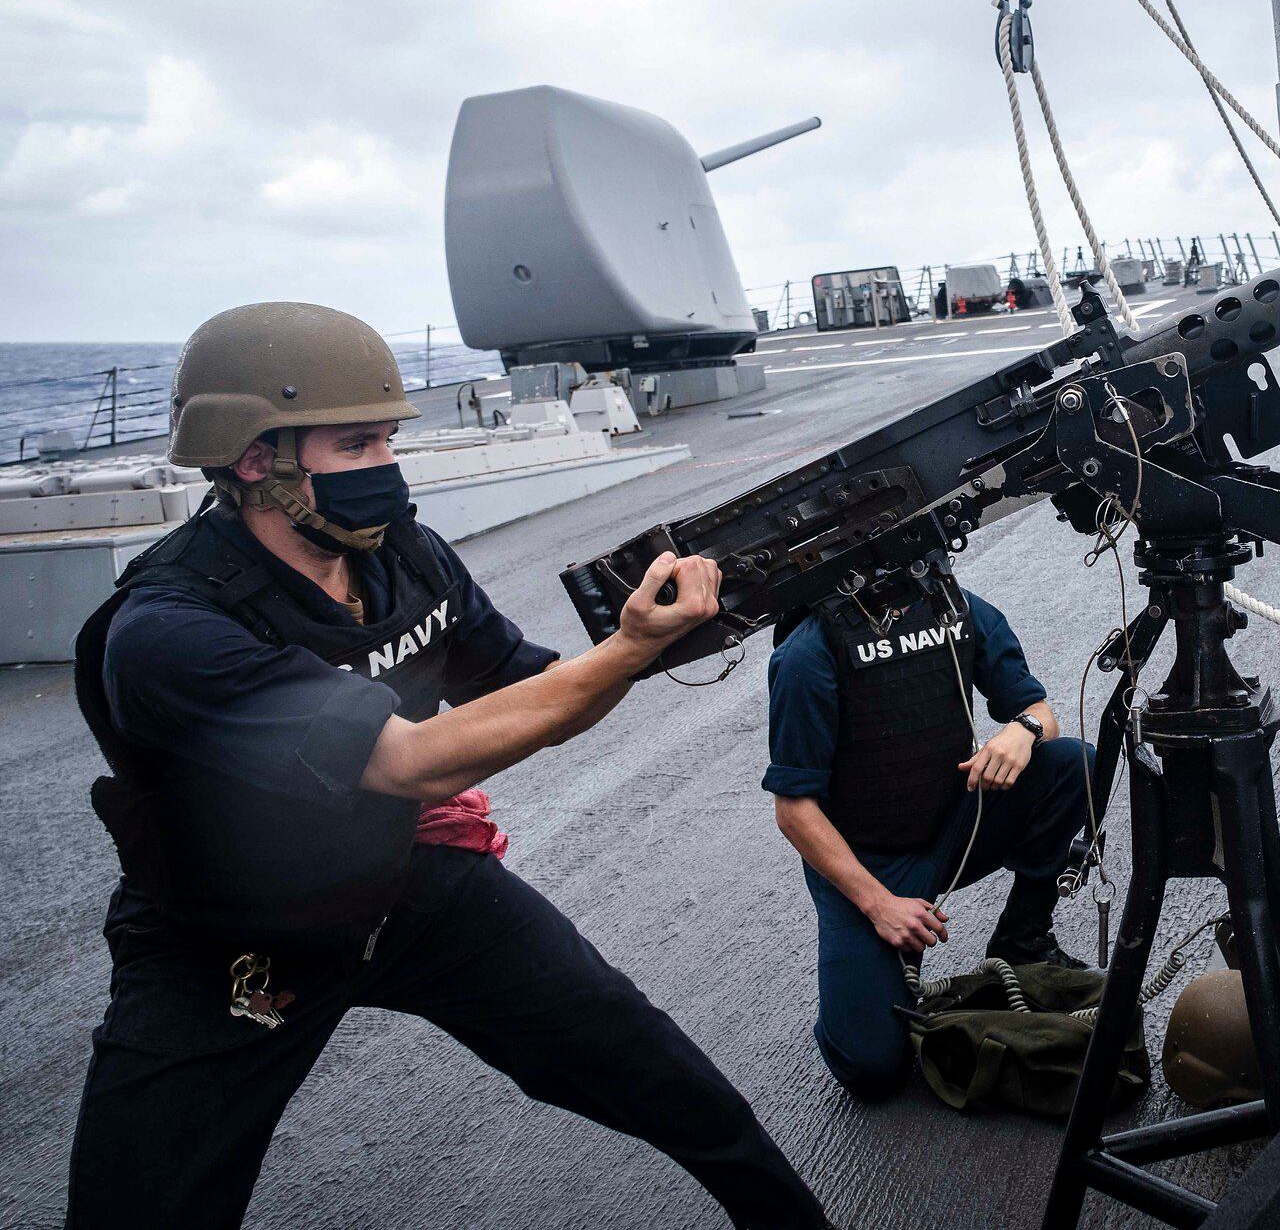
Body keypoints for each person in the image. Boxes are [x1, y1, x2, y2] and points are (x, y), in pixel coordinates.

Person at [66, 302, 829, 1230]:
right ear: (256, 459)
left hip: (399, 886)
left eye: (389, 439)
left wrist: (672, 629)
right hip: (226, 939)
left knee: (667, 1080)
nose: (386, 468)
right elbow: (411, 761)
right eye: (355, 444)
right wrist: (625, 652)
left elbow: (536, 698)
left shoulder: (403, 557)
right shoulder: (172, 630)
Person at [764, 563, 1094, 1098]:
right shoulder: (807, 654)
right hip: (867, 866)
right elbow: (794, 811)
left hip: (953, 827)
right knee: (871, 1069)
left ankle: (1022, 940)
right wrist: (878, 906)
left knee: (1074, 763)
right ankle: (862, 983)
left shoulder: (954, 607)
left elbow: (1039, 711)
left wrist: (1024, 730)